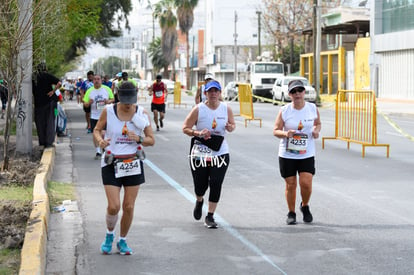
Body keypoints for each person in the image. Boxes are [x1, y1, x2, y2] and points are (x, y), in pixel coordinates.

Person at [94, 81, 155, 255]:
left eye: (131, 99)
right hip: (111, 162)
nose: (128, 104)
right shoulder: (109, 111)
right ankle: (109, 234)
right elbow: (97, 130)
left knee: (128, 206)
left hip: (133, 163)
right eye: (125, 99)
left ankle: (122, 240)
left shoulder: (141, 113)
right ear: (118, 96)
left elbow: (151, 140)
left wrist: (140, 139)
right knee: (114, 206)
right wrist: (100, 141)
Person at [182, 80, 236, 228]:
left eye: (216, 91)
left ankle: (210, 215)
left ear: (220, 93)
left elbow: (232, 125)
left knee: (216, 183)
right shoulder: (198, 109)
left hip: (220, 151)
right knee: (200, 185)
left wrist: (230, 127)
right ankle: (199, 200)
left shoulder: (226, 108)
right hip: (200, 151)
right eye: (210, 91)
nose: (213, 94)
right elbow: (185, 128)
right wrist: (198, 132)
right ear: (205, 93)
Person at [272, 80, 321, 225]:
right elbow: (275, 130)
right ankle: (291, 212)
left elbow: (318, 123)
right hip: (288, 154)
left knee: (306, 183)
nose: (297, 94)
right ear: (289, 94)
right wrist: (286, 134)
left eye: (300, 90)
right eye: (294, 91)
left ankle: (305, 206)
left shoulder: (312, 108)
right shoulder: (285, 110)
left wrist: (316, 131)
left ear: (304, 92)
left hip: (306, 152)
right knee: (291, 184)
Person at [83, 74, 115, 159]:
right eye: (95, 79)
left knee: (104, 133)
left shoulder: (106, 89)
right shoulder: (89, 91)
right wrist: (89, 103)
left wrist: (108, 101)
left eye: (98, 79)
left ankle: (104, 147)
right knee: (95, 134)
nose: (96, 81)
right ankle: (98, 151)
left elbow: (113, 99)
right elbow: (85, 104)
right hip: (94, 116)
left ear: (101, 80)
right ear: (93, 81)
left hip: (105, 115)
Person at [32, 62, 62, 147]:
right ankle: (49, 142)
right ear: (46, 69)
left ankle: (42, 141)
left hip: (38, 104)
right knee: (50, 122)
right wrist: (53, 91)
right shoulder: (47, 75)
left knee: (40, 123)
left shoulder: (33, 78)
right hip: (50, 102)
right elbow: (59, 83)